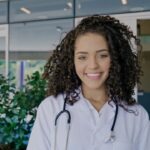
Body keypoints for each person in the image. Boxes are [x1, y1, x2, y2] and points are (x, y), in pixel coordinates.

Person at [27, 15, 150, 150]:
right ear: (71, 61)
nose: (93, 65)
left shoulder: (137, 115)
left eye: (102, 55)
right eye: (82, 57)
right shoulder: (51, 108)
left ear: (115, 58)